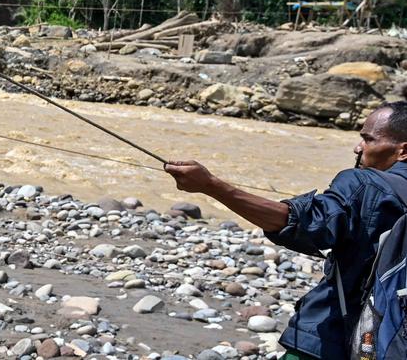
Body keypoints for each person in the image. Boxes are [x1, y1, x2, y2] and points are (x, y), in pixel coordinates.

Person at [164, 102, 407, 359]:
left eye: (368, 139)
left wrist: (211, 186)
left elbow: (301, 222)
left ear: (403, 151)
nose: (358, 148)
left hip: (332, 339)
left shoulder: (365, 185)